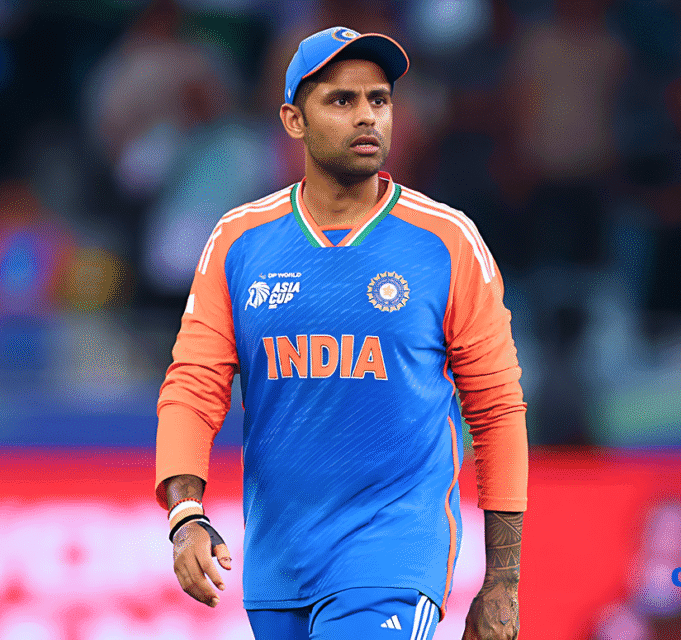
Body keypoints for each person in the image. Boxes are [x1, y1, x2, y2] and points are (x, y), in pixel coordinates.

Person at [155, 26, 528, 640]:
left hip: (393, 553)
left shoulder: (448, 241)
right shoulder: (239, 241)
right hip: (278, 564)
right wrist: (186, 515)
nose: (368, 118)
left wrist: (503, 579)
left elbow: (497, 410)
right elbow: (193, 385)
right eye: (342, 100)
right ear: (293, 121)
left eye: (379, 100)